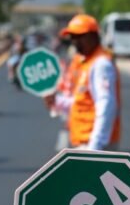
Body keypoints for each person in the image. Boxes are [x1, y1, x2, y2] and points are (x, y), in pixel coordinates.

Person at [45, 13, 121, 150]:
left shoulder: (101, 64)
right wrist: (57, 101)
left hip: (93, 144)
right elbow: (81, 102)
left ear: (92, 36)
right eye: (72, 37)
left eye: (78, 37)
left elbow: (106, 105)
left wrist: (95, 147)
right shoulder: (85, 63)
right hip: (85, 142)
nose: (74, 41)